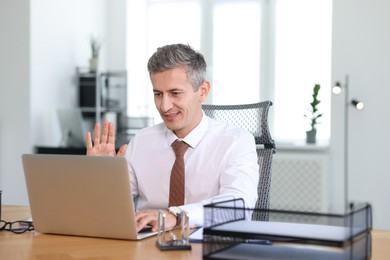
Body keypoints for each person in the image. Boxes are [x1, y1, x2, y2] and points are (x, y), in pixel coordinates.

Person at [86, 44, 259, 232]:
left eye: (175, 93)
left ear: (203, 91)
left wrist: (175, 216)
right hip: (146, 247)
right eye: (158, 94)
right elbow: (112, 208)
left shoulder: (236, 141)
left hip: (207, 247)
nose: (164, 106)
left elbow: (239, 205)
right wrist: (100, 178)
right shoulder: (142, 141)